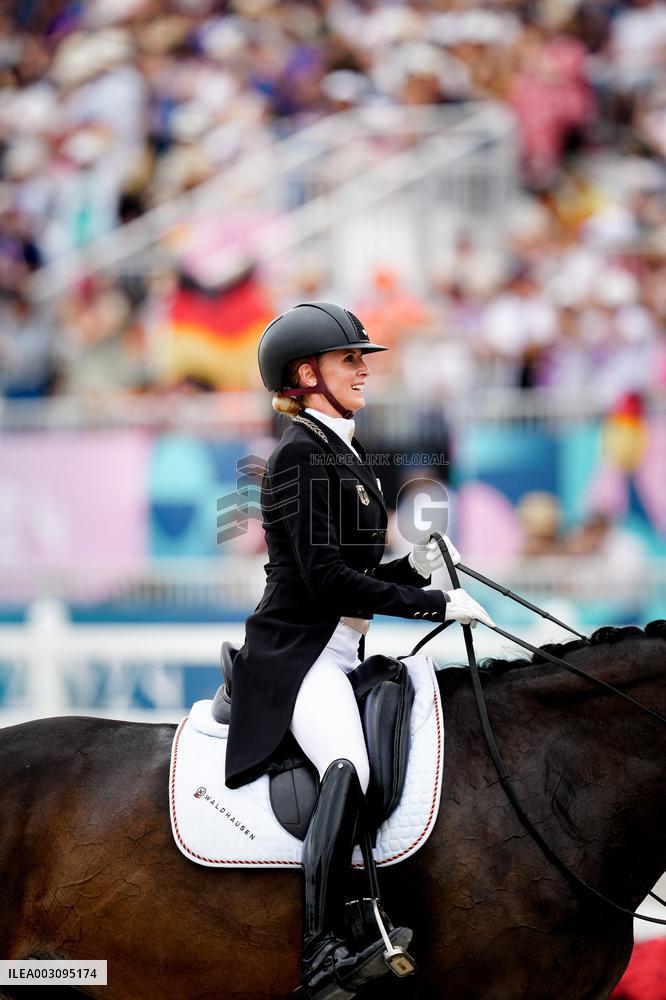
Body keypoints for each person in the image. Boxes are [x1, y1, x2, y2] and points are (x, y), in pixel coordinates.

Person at [224, 301, 494, 999]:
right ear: (306, 374)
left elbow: (362, 577)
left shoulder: (344, 452)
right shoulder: (296, 457)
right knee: (349, 760)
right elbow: (322, 581)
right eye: (350, 360)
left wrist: (422, 568)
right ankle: (322, 949)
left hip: (339, 647)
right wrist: (432, 604)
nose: (362, 371)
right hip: (299, 653)